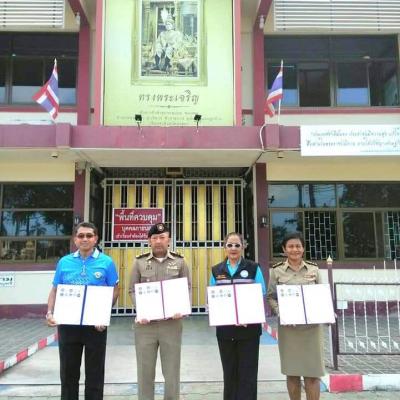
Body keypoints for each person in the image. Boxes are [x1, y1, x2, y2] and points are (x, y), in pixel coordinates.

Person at [46, 222, 119, 400]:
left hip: (95, 325)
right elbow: (55, 289)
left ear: (96, 239)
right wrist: (49, 312)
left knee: (95, 372)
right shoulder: (64, 262)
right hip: (68, 324)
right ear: (74, 239)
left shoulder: (107, 262)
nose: (84, 239)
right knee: (68, 372)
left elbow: (115, 290)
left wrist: (104, 315)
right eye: (80, 236)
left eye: (89, 235)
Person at [129, 222, 191, 400]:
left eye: (162, 237)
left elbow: (187, 288)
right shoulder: (139, 262)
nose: (158, 241)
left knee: (172, 371)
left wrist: (182, 309)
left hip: (171, 324)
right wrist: (141, 310)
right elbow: (132, 290)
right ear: (149, 240)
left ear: (168, 240)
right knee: (145, 370)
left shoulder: (180, 262)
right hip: (145, 326)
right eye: (154, 238)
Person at [209, 232, 266, 400]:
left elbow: (260, 294)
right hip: (225, 330)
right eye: (230, 245)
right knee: (229, 371)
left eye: (237, 245)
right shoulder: (216, 270)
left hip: (249, 329)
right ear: (224, 247)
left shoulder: (253, 268)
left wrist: (248, 316)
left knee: (248, 372)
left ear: (243, 247)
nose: (233, 248)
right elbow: (212, 297)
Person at [267, 232, 324, 400]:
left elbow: (321, 295)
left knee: (313, 374)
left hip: (312, 329)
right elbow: (270, 296)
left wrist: (324, 311)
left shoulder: (314, 269)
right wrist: (281, 312)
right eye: (290, 246)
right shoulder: (277, 271)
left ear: (303, 249)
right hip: (289, 329)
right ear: (284, 249)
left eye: (298, 246)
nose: (295, 249)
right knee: (292, 373)